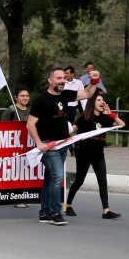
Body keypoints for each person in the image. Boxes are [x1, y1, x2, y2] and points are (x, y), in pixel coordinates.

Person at [27, 67, 100, 226]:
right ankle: (55, 212)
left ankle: (44, 212)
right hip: (49, 145)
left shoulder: (66, 95)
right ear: (50, 80)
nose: (62, 81)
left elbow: (87, 94)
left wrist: (94, 81)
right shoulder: (41, 100)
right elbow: (30, 124)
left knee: (50, 179)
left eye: (63, 78)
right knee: (57, 178)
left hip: (63, 143)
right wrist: (39, 144)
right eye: (59, 78)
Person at [65, 93, 124, 219]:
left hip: (99, 155)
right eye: (98, 100)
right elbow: (71, 130)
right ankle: (68, 205)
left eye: (103, 100)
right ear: (92, 103)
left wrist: (111, 114)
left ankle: (106, 211)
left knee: (103, 182)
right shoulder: (85, 117)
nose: (102, 102)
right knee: (79, 181)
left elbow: (122, 124)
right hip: (84, 154)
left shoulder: (105, 118)